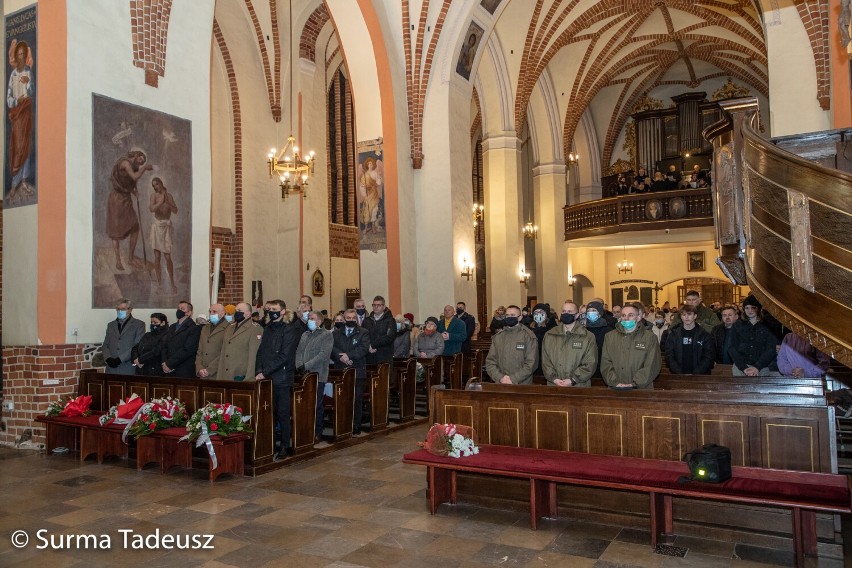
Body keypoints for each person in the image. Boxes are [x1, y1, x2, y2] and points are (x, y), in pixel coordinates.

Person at [255, 300, 302, 459]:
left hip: (281, 377)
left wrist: (265, 372)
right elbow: (261, 351)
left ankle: (284, 445)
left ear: (282, 311)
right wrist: (258, 370)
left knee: (283, 412)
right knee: (269, 412)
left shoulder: (289, 330)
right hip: (266, 376)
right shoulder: (268, 328)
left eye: (275, 309)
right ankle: (270, 443)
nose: (271, 312)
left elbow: (284, 356)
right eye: (270, 309)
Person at [108, 150, 153, 271]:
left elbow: (128, 182)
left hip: (126, 199)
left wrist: (134, 191)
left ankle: (130, 258)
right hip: (116, 199)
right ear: (136, 155)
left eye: (142, 162)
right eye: (140, 160)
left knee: (135, 227)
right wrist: (143, 168)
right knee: (115, 231)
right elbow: (134, 176)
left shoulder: (132, 167)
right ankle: (118, 261)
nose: (141, 163)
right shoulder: (125, 163)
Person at [601, 302, 661, 389]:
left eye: (631, 315)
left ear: (639, 317)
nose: (626, 318)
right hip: (615, 388)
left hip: (641, 388)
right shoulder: (609, 336)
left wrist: (635, 383)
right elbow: (606, 362)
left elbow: (652, 365)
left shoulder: (650, 338)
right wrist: (614, 382)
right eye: (623, 315)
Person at [295, 310, 334, 443]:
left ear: (319, 321)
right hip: (304, 374)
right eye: (309, 318)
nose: (309, 320)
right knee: (305, 404)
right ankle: (306, 429)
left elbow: (323, 355)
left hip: (318, 374)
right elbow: (299, 351)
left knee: (317, 404)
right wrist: (299, 365)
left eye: (312, 318)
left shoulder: (326, 335)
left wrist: (306, 365)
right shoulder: (305, 334)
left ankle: (317, 431)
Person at [332, 309, 370, 435]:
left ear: (356, 319)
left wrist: (349, 356)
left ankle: (356, 425)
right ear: (344, 318)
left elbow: (363, 348)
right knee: (342, 399)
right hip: (340, 369)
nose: (351, 320)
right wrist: (340, 356)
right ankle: (343, 424)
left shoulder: (363, 332)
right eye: (348, 318)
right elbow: (332, 348)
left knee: (356, 399)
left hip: (357, 369)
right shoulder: (336, 333)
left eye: (353, 318)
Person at [541, 301, 597, 387]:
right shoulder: (549, 335)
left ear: (577, 315)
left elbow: (590, 363)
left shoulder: (587, 336)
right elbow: (545, 361)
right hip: (554, 385)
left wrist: (573, 379)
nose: (566, 314)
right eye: (563, 311)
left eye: (570, 312)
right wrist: (554, 378)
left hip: (579, 386)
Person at [6, 41, 34, 203]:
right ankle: (14, 183)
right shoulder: (13, 75)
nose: (21, 57)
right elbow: (9, 98)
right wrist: (17, 100)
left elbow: (32, 92)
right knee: (17, 146)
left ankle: (24, 180)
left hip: (27, 113)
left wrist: (27, 83)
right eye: (19, 54)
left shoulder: (28, 72)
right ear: (16, 56)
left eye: (24, 54)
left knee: (26, 146)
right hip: (17, 113)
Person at [485, 305, 538, 385]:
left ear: (520, 318)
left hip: (522, 384)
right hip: (501, 384)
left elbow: (531, 363)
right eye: (507, 315)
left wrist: (513, 379)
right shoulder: (498, 337)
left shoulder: (528, 336)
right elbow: (490, 361)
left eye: (512, 315)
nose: (509, 317)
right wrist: (500, 378)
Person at [728, 295, 779, 376]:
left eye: (753, 307)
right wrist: (743, 367)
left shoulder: (768, 325)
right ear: (743, 309)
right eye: (747, 308)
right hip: (741, 367)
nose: (750, 310)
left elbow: (771, 349)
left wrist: (757, 367)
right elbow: (732, 348)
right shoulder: (737, 325)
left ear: (758, 308)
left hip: (762, 366)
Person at [217, 302, 262, 381]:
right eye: (236, 310)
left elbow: (253, 356)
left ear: (248, 314)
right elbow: (223, 353)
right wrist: (220, 375)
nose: (236, 312)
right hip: (225, 375)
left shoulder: (255, 329)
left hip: (240, 375)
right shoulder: (230, 327)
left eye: (239, 310)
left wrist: (249, 378)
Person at [664, 305, 715, 375]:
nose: (686, 317)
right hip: (678, 375)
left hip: (700, 376)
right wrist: (679, 372)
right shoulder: (673, 335)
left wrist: (696, 373)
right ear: (681, 317)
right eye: (683, 314)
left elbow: (708, 357)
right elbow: (669, 355)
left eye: (689, 314)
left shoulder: (704, 335)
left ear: (695, 316)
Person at [149, 177, 178, 293]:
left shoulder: (169, 195)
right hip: (157, 226)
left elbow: (175, 210)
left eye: (156, 184)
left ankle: (172, 283)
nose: (155, 187)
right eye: (153, 185)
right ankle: (160, 285)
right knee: (157, 256)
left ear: (161, 183)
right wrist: (161, 201)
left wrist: (168, 203)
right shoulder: (154, 196)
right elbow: (151, 209)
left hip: (166, 227)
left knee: (167, 257)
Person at [102, 297, 146, 375]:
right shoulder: (111, 325)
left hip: (128, 367)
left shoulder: (139, 325)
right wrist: (108, 358)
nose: (120, 311)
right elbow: (106, 344)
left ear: (130, 310)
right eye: (118, 309)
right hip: (111, 367)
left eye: (123, 309)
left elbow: (137, 345)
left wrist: (120, 359)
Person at [160, 300, 201, 378]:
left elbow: (188, 349)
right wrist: (164, 363)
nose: (179, 310)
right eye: (178, 308)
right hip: (167, 368)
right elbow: (164, 345)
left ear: (189, 313)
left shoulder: (194, 328)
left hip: (183, 370)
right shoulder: (172, 327)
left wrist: (170, 364)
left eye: (182, 309)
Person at [195, 304, 227, 379]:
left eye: (214, 312)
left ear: (222, 314)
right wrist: (199, 368)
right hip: (203, 372)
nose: (211, 314)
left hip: (218, 373)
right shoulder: (205, 328)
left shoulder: (228, 328)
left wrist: (209, 370)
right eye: (210, 311)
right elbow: (200, 351)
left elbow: (225, 353)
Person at [583, 300, 614, 378]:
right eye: (588, 311)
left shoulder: (608, 331)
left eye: (594, 310)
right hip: (586, 369)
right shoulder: (583, 330)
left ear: (600, 313)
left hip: (603, 369)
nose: (591, 313)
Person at [363, 295, 396, 365]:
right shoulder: (367, 321)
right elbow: (363, 336)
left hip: (384, 357)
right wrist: (368, 346)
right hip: (369, 356)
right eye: (374, 305)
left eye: (379, 305)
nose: (376, 307)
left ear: (384, 307)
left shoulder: (390, 320)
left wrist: (373, 345)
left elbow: (389, 337)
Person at [527, 303, 556, 375]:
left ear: (547, 315)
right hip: (532, 364)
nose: (538, 315)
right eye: (536, 313)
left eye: (541, 313)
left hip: (548, 364)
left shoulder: (553, 329)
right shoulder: (529, 329)